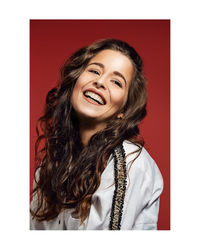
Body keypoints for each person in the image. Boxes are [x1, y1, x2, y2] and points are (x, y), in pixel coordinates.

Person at [30, 38, 164, 230]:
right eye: (94, 71)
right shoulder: (51, 163)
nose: (100, 82)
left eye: (116, 82)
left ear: (123, 110)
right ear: (76, 80)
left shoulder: (130, 162)